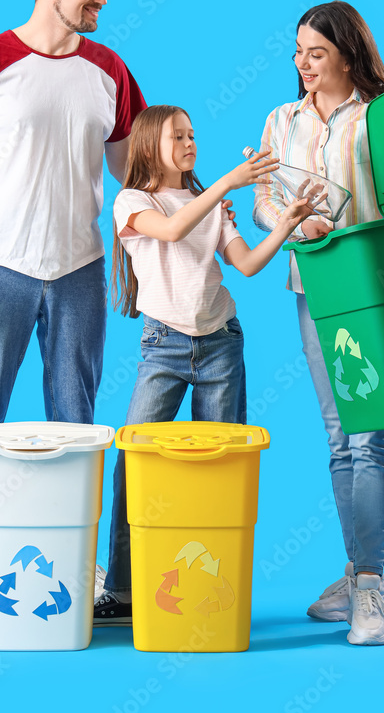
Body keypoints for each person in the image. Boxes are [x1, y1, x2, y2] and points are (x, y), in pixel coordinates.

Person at [0, 0, 148, 626]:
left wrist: (197, 204)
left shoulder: (108, 68)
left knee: (77, 424)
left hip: (78, 267)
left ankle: (79, 565)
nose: (102, 0)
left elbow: (132, 171)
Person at [253, 0, 384, 646]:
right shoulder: (280, 120)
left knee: (369, 434)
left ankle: (370, 585)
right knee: (337, 432)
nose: (302, 65)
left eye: (315, 53)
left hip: (378, 285)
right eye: (296, 52)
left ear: (347, 54)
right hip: (314, 284)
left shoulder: (381, 114)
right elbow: (264, 201)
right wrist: (290, 224)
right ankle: (355, 574)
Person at [93, 105, 320, 625]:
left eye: (193, 134)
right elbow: (170, 231)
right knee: (135, 462)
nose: (190, 142)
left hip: (220, 343)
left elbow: (245, 265)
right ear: (151, 144)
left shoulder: (207, 203)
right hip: (163, 346)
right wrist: (226, 185)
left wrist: (286, 223)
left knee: (221, 470)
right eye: (179, 135)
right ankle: (124, 590)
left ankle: (213, 583)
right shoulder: (134, 201)